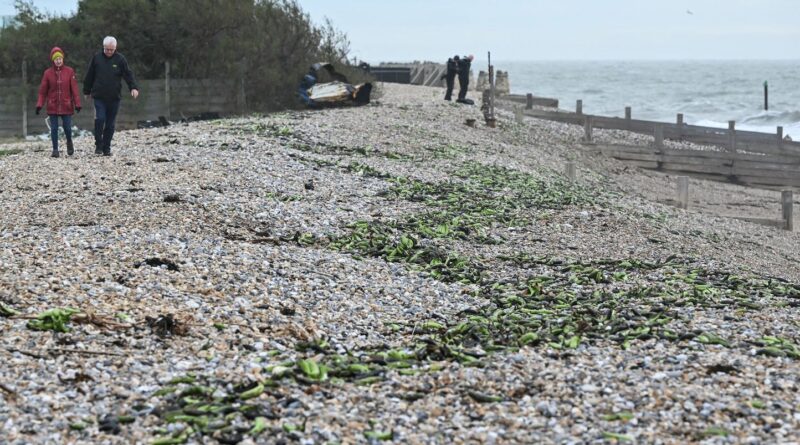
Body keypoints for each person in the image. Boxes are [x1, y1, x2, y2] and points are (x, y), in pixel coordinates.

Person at [82, 36, 139, 156]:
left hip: (114, 97)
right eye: (107, 49)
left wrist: (133, 87)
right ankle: (98, 144)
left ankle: (106, 147)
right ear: (103, 47)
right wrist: (86, 91)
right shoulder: (96, 58)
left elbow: (128, 74)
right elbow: (90, 75)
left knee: (110, 124)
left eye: (111, 50)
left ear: (115, 49)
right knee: (100, 119)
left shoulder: (120, 59)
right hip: (99, 97)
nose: (109, 52)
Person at [36, 47, 81, 158]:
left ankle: (69, 142)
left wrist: (77, 103)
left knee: (67, 128)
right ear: (53, 60)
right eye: (56, 59)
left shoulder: (69, 71)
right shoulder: (47, 73)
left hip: (66, 105)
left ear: (63, 59)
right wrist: (39, 105)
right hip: (53, 105)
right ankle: (55, 149)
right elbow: (42, 92)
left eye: (60, 58)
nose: (58, 61)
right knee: (54, 129)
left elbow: (74, 89)